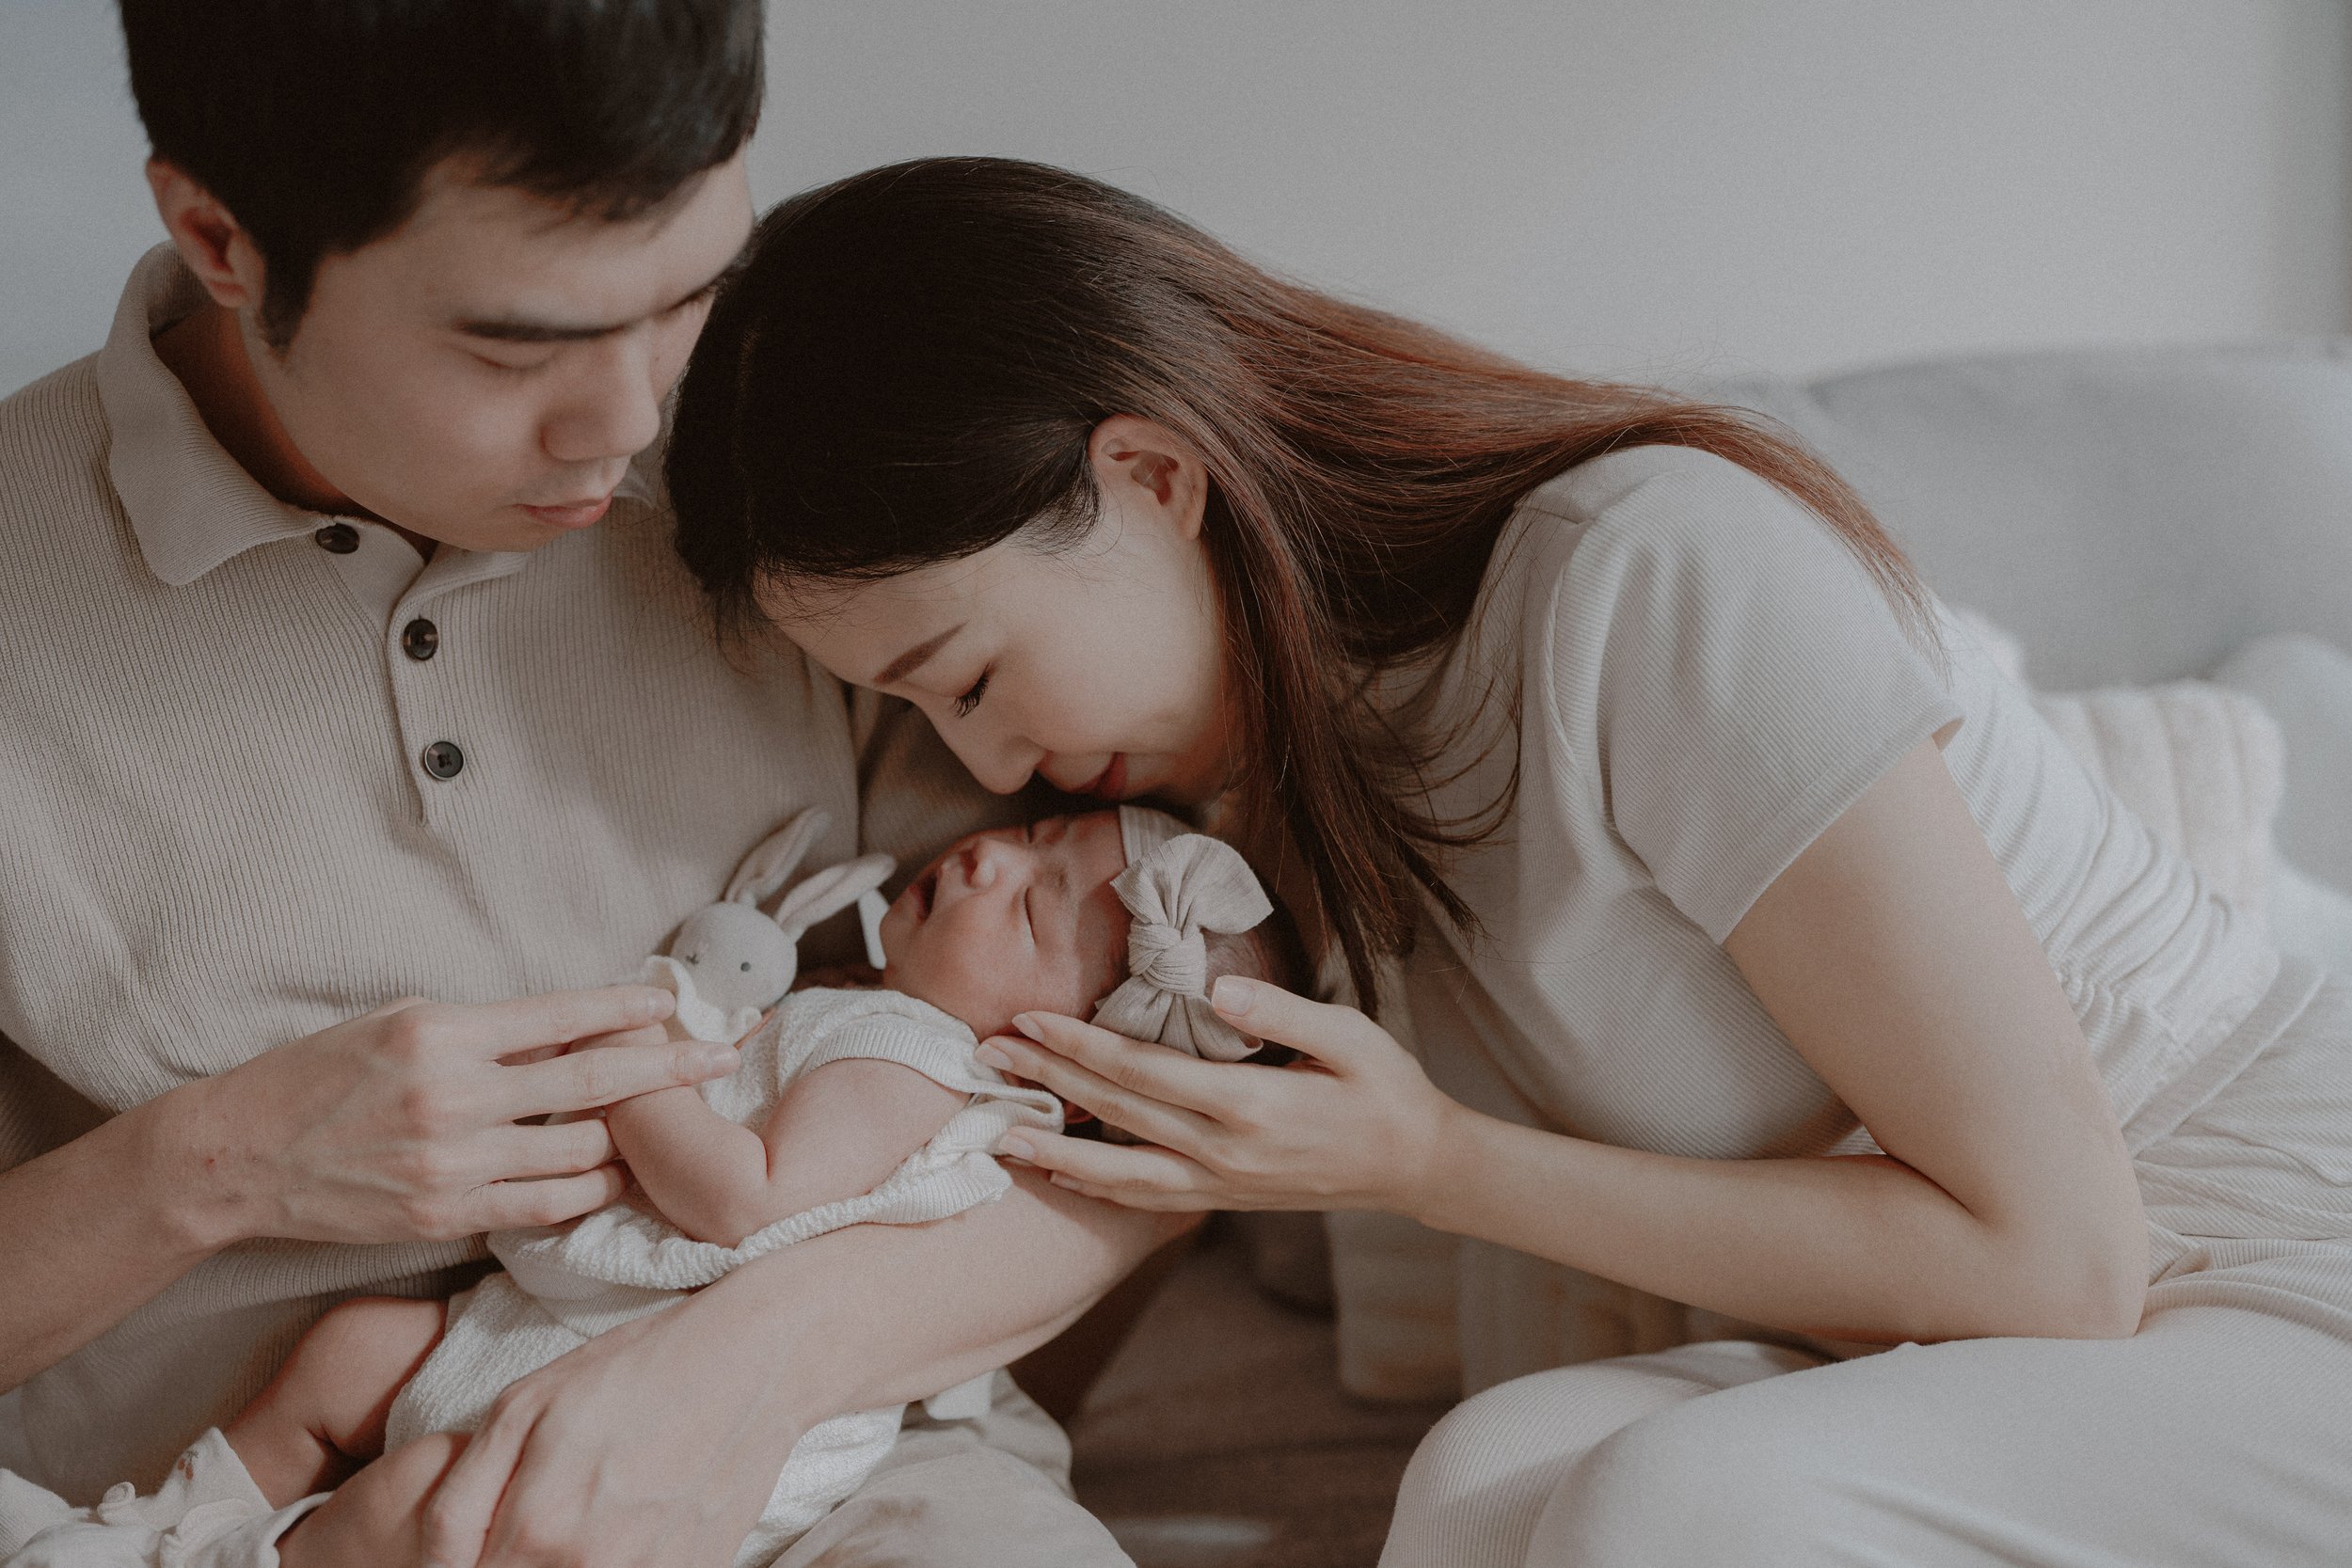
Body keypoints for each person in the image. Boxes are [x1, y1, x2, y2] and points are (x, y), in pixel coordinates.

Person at [662, 154, 2352, 1566]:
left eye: (966, 676)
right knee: (1489, 1479)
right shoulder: (1237, 807)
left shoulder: (1644, 581)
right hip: (1952, 1329)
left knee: (1680, 1506)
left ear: (1152, 476)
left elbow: (2055, 1263)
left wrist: (1429, 1161)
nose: (983, 768)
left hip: (2261, 1233)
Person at [0, 14, 1176, 1566]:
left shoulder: (769, 461)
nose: (627, 429)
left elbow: (1169, 1083)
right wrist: (209, 1165)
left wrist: (759, 1366)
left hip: (837, 1469)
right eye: (514, 348)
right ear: (220, 237)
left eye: (686, 297)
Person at [4, 808, 1301, 1566]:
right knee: (347, 1352)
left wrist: (632, 1077)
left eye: (1028, 912)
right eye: (1022, 838)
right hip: (547, 1333)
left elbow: (744, 1196)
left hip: (633, 1384)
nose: (982, 863)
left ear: (1059, 1056)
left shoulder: (913, 1062)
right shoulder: (864, 1011)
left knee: (412, 1513)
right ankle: (187, 1516)